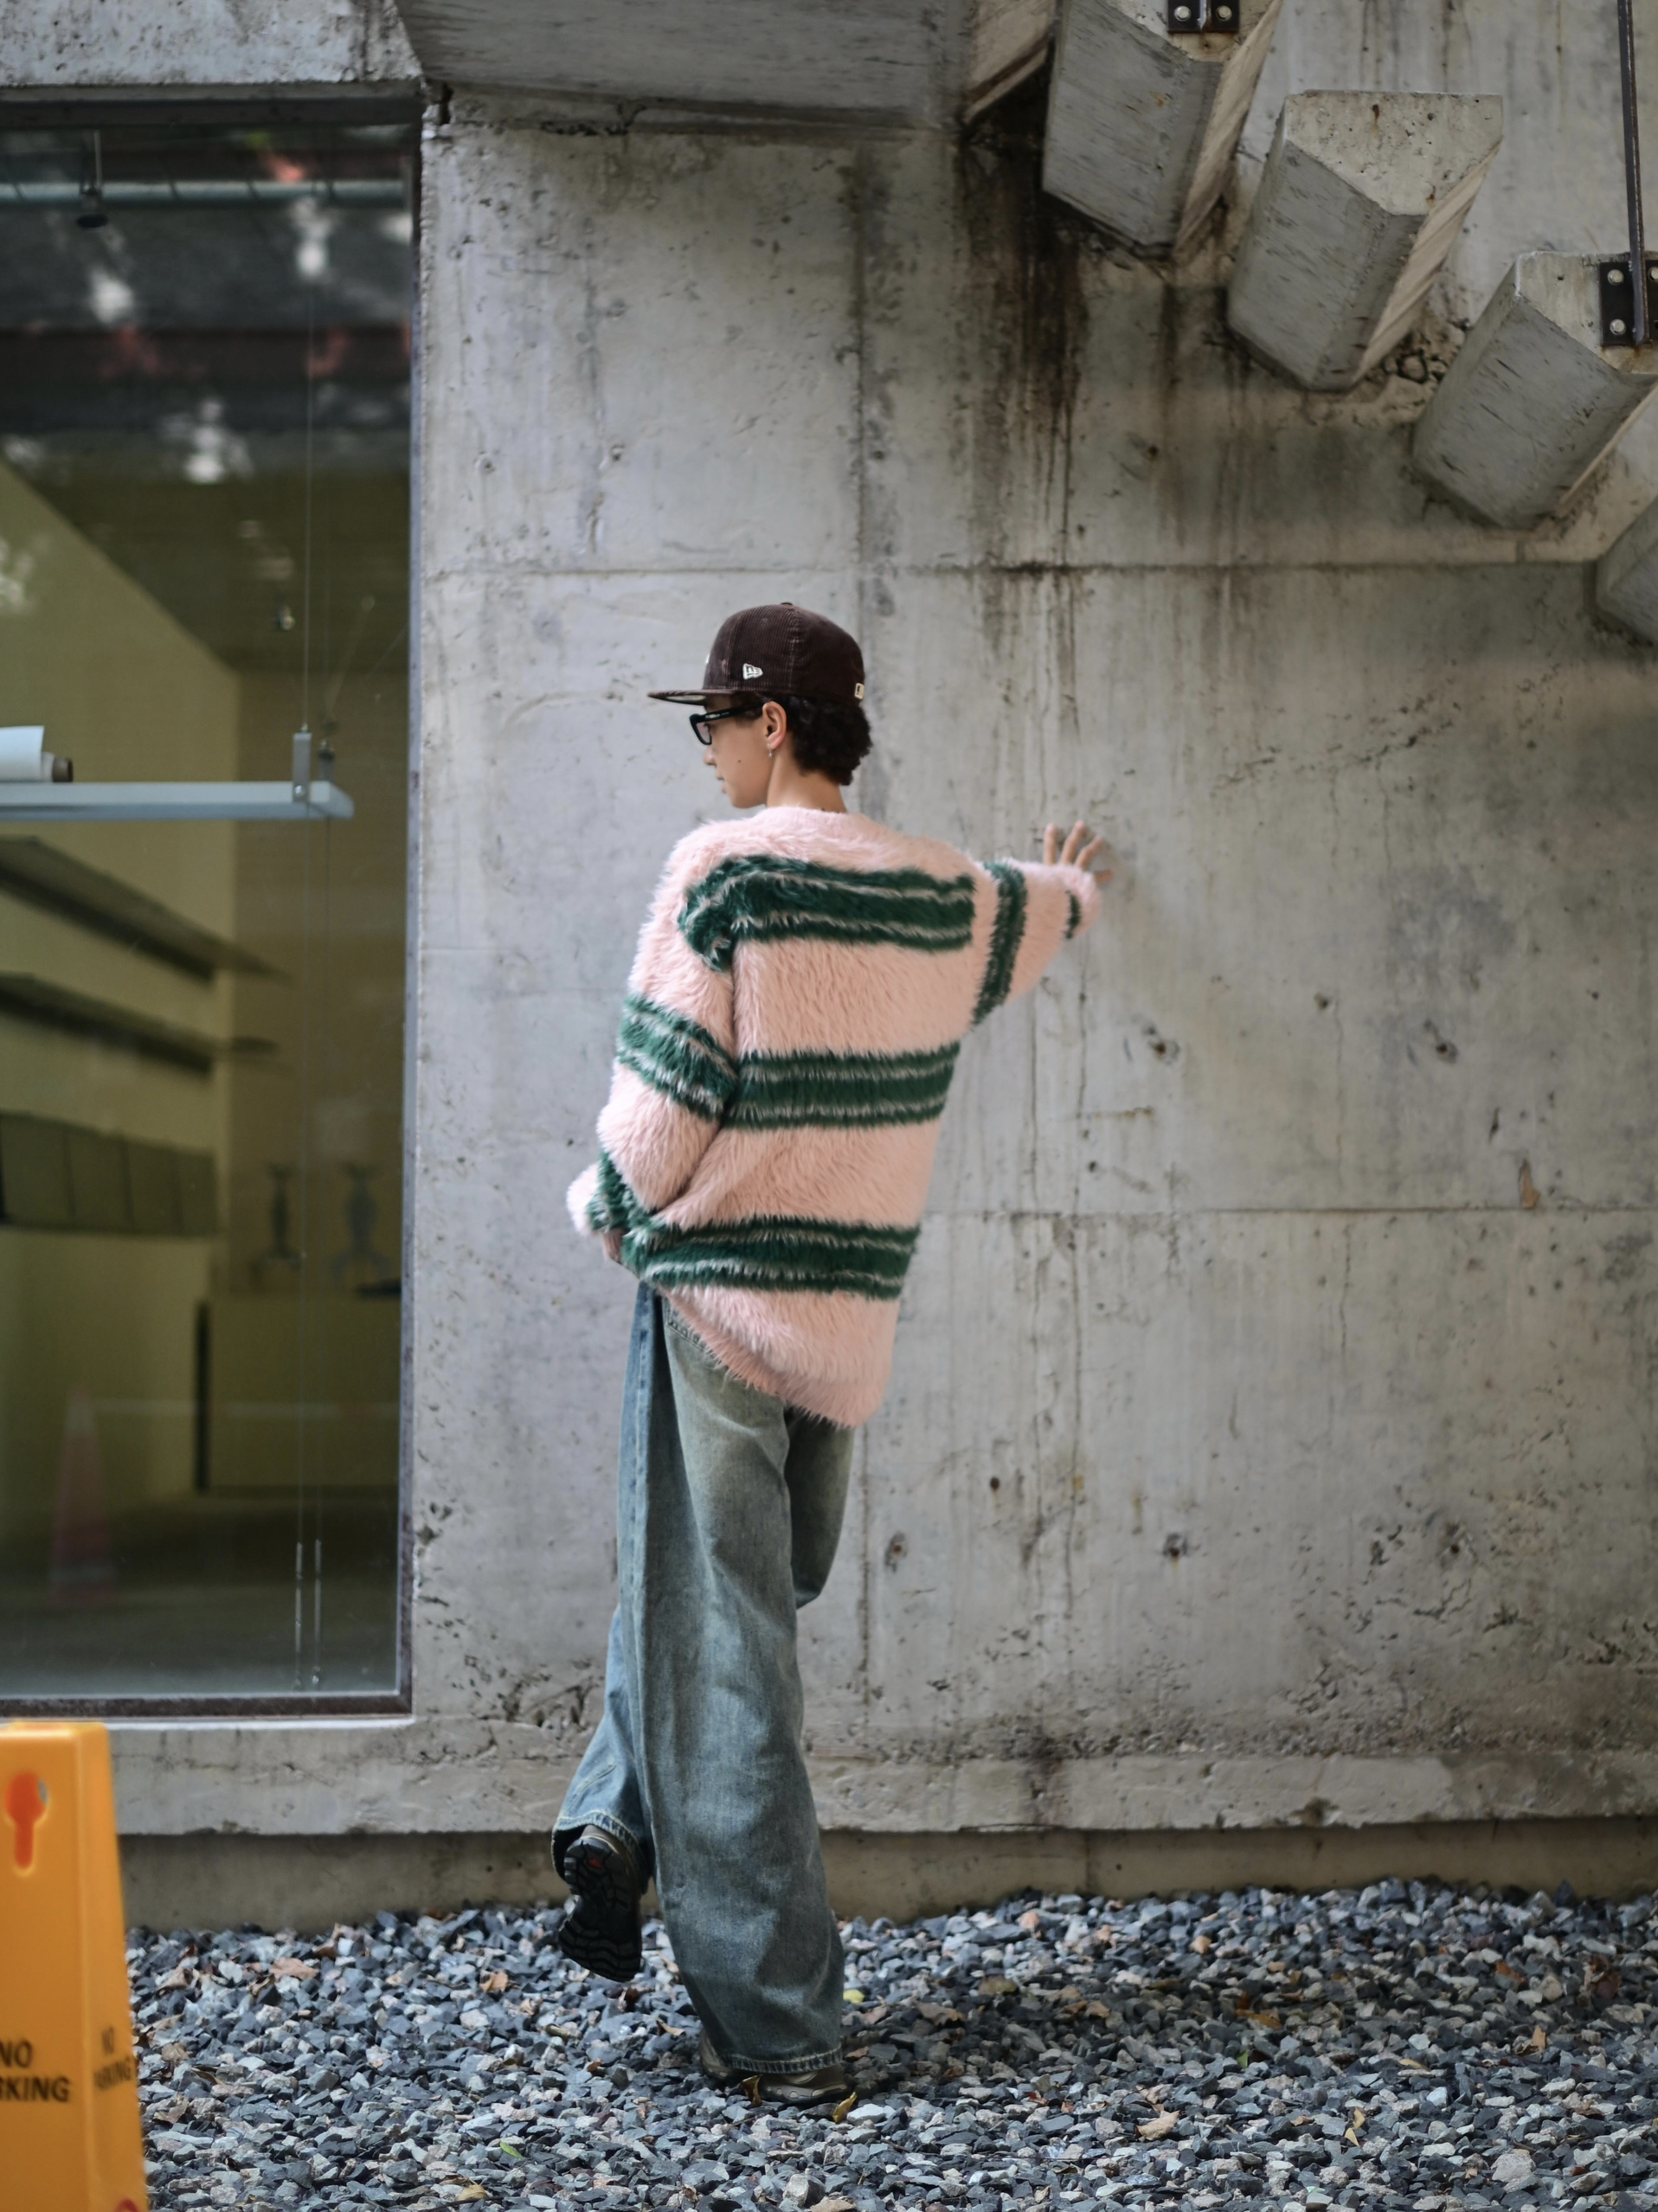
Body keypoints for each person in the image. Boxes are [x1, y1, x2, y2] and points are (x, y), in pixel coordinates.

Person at [556, 601, 1108, 2105]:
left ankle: (781, 2025)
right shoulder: (936, 893)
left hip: (717, 1313)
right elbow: (1029, 919)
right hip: (841, 1334)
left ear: (773, 723)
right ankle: (612, 1816)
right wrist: (1074, 886)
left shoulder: (724, 875)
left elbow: (656, 1127)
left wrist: (602, 1211)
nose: (707, 750)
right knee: (736, 1605)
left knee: (724, 1640)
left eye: (714, 721)